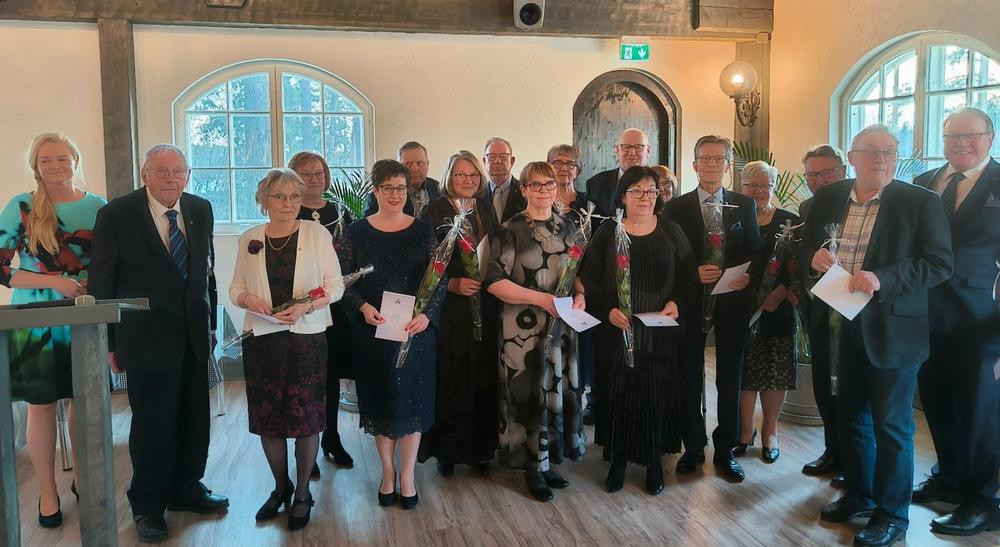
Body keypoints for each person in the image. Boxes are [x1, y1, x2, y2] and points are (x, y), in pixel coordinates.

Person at [806, 125, 952, 547]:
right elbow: (806, 248)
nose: (881, 159)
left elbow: (939, 263)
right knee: (850, 416)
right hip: (840, 321)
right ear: (852, 157)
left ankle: (892, 515)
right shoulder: (828, 197)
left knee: (892, 427)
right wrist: (813, 257)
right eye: (871, 151)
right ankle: (860, 494)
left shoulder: (921, 202)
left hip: (894, 330)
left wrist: (883, 278)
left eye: (889, 151)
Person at [89, 144, 228, 543]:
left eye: (178, 171)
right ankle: (148, 505)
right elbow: (102, 282)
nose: (171, 178)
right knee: (153, 426)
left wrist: (211, 326)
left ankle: (186, 488)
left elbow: (206, 272)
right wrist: (109, 341)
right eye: (162, 171)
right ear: (144, 173)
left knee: (194, 419)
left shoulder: (200, 208)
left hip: (194, 335)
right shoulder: (116, 214)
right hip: (144, 340)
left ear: (188, 175)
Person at [0, 133, 106, 528]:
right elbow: (1, 267)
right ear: (36, 165)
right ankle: (47, 492)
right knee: (41, 405)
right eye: (46, 160)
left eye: (62, 158)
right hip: (35, 318)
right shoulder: (21, 207)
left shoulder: (98, 207)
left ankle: (82, 477)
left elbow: (113, 261)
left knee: (84, 401)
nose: (55, 165)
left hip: (85, 314)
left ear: (76, 160)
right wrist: (55, 282)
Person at [229, 168, 343, 530]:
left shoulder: (316, 234)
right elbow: (235, 289)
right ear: (264, 200)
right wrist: (248, 299)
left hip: (307, 340)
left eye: (294, 196)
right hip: (263, 341)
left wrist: (307, 306)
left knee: (306, 418)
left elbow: (336, 286)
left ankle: (303, 493)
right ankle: (281, 487)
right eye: (279, 196)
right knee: (269, 419)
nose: (288, 203)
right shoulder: (250, 238)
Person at [580, 166, 697, 496]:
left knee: (656, 395)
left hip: (660, 334)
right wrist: (607, 310)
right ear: (622, 196)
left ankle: (654, 462)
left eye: (651, 191)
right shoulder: (608, 231)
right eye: (637, 191)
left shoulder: (671, 230)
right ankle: (618, 460)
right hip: (617, 331)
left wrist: (677, 302)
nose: (645, 198)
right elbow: (589, 279)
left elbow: (689, 277)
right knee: (620, 395)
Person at [912, 107, 1000, 536]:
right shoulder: (923, 182)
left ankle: (985, 500)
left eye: (972, 135)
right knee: (937, 403)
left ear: (990, 138)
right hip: (924, 316)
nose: (962, 143)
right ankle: (948, 477)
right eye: (953, 136)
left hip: (981, 320)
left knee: (981, 413)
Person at [338, 159, 445, 510]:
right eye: (388, 188)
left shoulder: (422, 230)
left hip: (415, 333)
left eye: (401, 188)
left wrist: (427, 315)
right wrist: (362, 308)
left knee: (412, 405)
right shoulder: (355, 232)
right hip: (374, 332)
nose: (395, 195)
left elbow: (439, 280)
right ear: (375, 190)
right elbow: (342, 281)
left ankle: (408, 476)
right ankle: (387, 473)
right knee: (382, 403)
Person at [485, 161, 586, 502]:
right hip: (522, 332)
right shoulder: (510, 229)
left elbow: (574, 272)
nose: (544, 190)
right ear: (524, 189)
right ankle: (531, 468)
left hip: (562, 328)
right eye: (536, 185)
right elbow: (495, 283)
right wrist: (542, 300)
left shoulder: (569, 226)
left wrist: (581, 295)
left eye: (550, 184)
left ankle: (546, 461)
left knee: (554, 393)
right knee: (527, 396)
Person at [666, 135, 761, 483]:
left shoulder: (744, 205)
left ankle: (725, 450)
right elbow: (668, 258)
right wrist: (693, 273)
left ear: (728, 165)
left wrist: (746, 276)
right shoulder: (676, 207)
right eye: (704, 158)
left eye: (718, 158)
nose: (711, 164)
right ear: (694, 164)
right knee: (689, 376)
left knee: (729, 378)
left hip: (732, 303)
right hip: (691, 303)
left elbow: (755, 251)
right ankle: (693, 447)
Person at [417, 151, 501, 477]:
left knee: (482, 375)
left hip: (484, 303)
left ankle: (481, 451)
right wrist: (451, 284)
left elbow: (496, 250)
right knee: (452, 377)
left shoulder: (486, 208)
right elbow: (425, 261)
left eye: (473, 175)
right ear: (449, 177)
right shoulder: (434, 210)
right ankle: (448, 452)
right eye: (460, 175)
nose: (467, 180)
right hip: (450, 307)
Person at [289, 151, 355, 474]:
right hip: (301, 309)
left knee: (329, 376)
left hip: (336, 306)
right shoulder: (288, 211)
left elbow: (351, 256)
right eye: (306, 174)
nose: (314, 179)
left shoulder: (340, 211)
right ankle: (306, 449)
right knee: (304, 379)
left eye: (319, 173)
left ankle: (331, 438)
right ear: (294, 178)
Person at [734, 161, 800, 464]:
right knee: (745, 370)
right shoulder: (733, 217)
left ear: (773, 187)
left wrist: (782, 290)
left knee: (775, 372)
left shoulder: (791, 221)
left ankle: (770, 431)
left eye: (765, 185)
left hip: (778, 306)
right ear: (742, 187)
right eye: (752, 185)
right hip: (739, 305)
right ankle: (745, 431)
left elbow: (799, 264)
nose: (759, 191)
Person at [798, 145, 849, 486]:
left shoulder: (865, 202)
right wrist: (811, 260)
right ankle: (832, 450)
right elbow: (804, 250)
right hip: (821, 305)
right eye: (811, 175)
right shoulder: (809, 206)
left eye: (826, 173)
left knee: (850, 388)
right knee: (823, 383)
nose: (818, 181)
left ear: (843, 170)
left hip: (858, 306)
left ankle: (854, 458)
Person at [586, 128, 652, 217]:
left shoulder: (659, 184)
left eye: (638, 147)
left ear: (648, 150)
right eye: (626, 147)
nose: (632, 152)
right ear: (617, 150)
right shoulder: (595, 184)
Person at [364, 141, 441, 217]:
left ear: (427, 164)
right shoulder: (379, 195)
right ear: (399, 167)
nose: (414, 169)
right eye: (408, 164)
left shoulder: (439, 189)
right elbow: (369, 223)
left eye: (419, 163)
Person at [482, 137, 527, 223]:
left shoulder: (525, 192)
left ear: (512, 161)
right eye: (491, 157)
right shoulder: (478, 195)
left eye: (503, 157)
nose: (497, 161)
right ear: (484, 161)